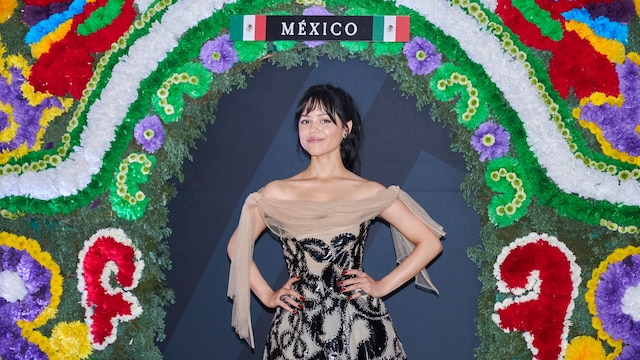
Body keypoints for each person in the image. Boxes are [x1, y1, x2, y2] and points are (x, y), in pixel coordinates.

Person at [227, 84, 445, 359]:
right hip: (297, 328)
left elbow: (429, 242)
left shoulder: (369, 191)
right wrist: (268, 295)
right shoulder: (276, 192)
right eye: (305, 121)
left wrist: (381, 286)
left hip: (359, 326)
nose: (312, 129)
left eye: (324, 120)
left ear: (346, 128)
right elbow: (237, 246)